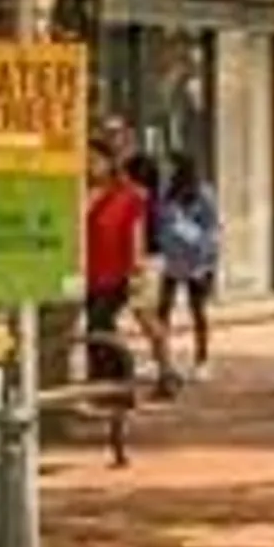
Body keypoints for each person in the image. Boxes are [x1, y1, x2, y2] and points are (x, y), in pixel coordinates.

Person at [84, 149, 158, 388]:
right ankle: (109, 380)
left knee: (98, 324)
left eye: (95, 160)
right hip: (90, 273)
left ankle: (113, 379)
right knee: (97, 327)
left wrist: (136, 267)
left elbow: (137, 233)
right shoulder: (84, 194)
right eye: (86, 160)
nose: (90, 165)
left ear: (110, 162)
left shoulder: (129, 196)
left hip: (119, 273)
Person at [153, 159, 221, 385]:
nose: (167, 171)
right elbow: (161, 222)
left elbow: (212, 229)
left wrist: (206, 258)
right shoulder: (167, 193)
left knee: (198, 310)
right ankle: (161, 359)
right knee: (163, 310)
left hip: (196, 261)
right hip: (172, 260)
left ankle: (202, 360)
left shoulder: (204, 194)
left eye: (171, 168)